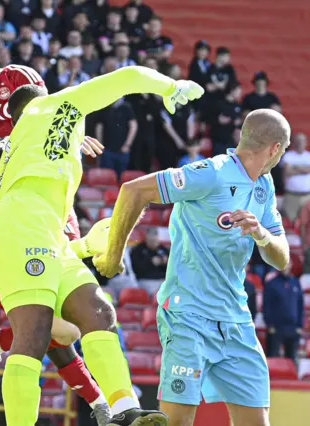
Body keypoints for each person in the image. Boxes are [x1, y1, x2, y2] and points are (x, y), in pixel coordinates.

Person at [0, 66, 203, 426]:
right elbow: (126, 76)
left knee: (97, 312)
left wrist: (84, 245)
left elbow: (45, 224)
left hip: (39, 230)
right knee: (34, 332)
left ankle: (124, 410)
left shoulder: (30, 147)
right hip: (23, 225)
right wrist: (169, 86)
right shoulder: (51, 106)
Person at [0, 20, 112, 424]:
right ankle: (101, 404)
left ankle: (5, 341)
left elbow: (47, 125)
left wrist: (9, 142)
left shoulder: (20, 79)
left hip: (45, 202)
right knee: (42, 313)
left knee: (67, 317)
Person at [95, 109, 290, 426]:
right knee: (178, 421)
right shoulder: (210, 173)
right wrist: (113, 256)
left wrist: (262, 234)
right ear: (275, 149)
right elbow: (133, 191)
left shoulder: (263, 187)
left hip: (235, 319)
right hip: (188, 315)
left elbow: (282, 259)